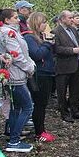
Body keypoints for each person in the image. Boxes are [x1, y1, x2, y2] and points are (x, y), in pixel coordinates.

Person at [0, 8, 36, 152]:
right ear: (6, 20)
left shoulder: (12, 31)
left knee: (16, 108)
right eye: (15, 17)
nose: (18, 20)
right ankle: (14, 140)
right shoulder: (7, 33)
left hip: (17, 74)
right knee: (28, 106)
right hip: (14, 76)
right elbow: (16, 55)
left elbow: (22, 51)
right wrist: (29, 67)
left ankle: (13, 137)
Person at [23, 12, 57, 142]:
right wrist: (48, 44)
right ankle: (39, 132)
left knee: (43, 104)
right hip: (39, 75)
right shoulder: (29, 38)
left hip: (47, 72)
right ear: (36, 23)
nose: (45, 25)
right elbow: (37, 55)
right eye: (43, 22)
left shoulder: (40, 37)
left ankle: (41, 129)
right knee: (40, 104)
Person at [52, 10, 79, 123]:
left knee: (76, 89)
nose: (72, 20)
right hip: (63, 66)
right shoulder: (56, 32)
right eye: (69, 18)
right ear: (62, 19)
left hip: (76, 64)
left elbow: (78, 42)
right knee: (62, 91)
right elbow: (56, 49)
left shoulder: (73, 30)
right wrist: (73, 50)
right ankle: (64, 113)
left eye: (72, 17)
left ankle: (75, 111)